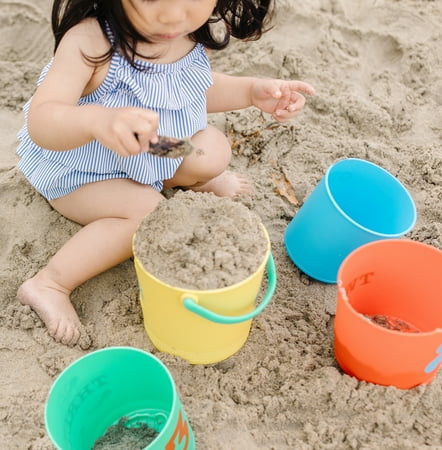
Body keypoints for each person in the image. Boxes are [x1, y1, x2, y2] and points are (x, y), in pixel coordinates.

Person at [16, 0, 315, 347]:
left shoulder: (183, 33)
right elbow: (43, 118)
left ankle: (168, 177)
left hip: (148, 148)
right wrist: (97, 121)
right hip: (79, 167)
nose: (172, 15)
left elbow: (194, 88)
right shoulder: (91, 41)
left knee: (212, 150)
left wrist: (250, 91)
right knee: (147, 210)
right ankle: (50, 283)